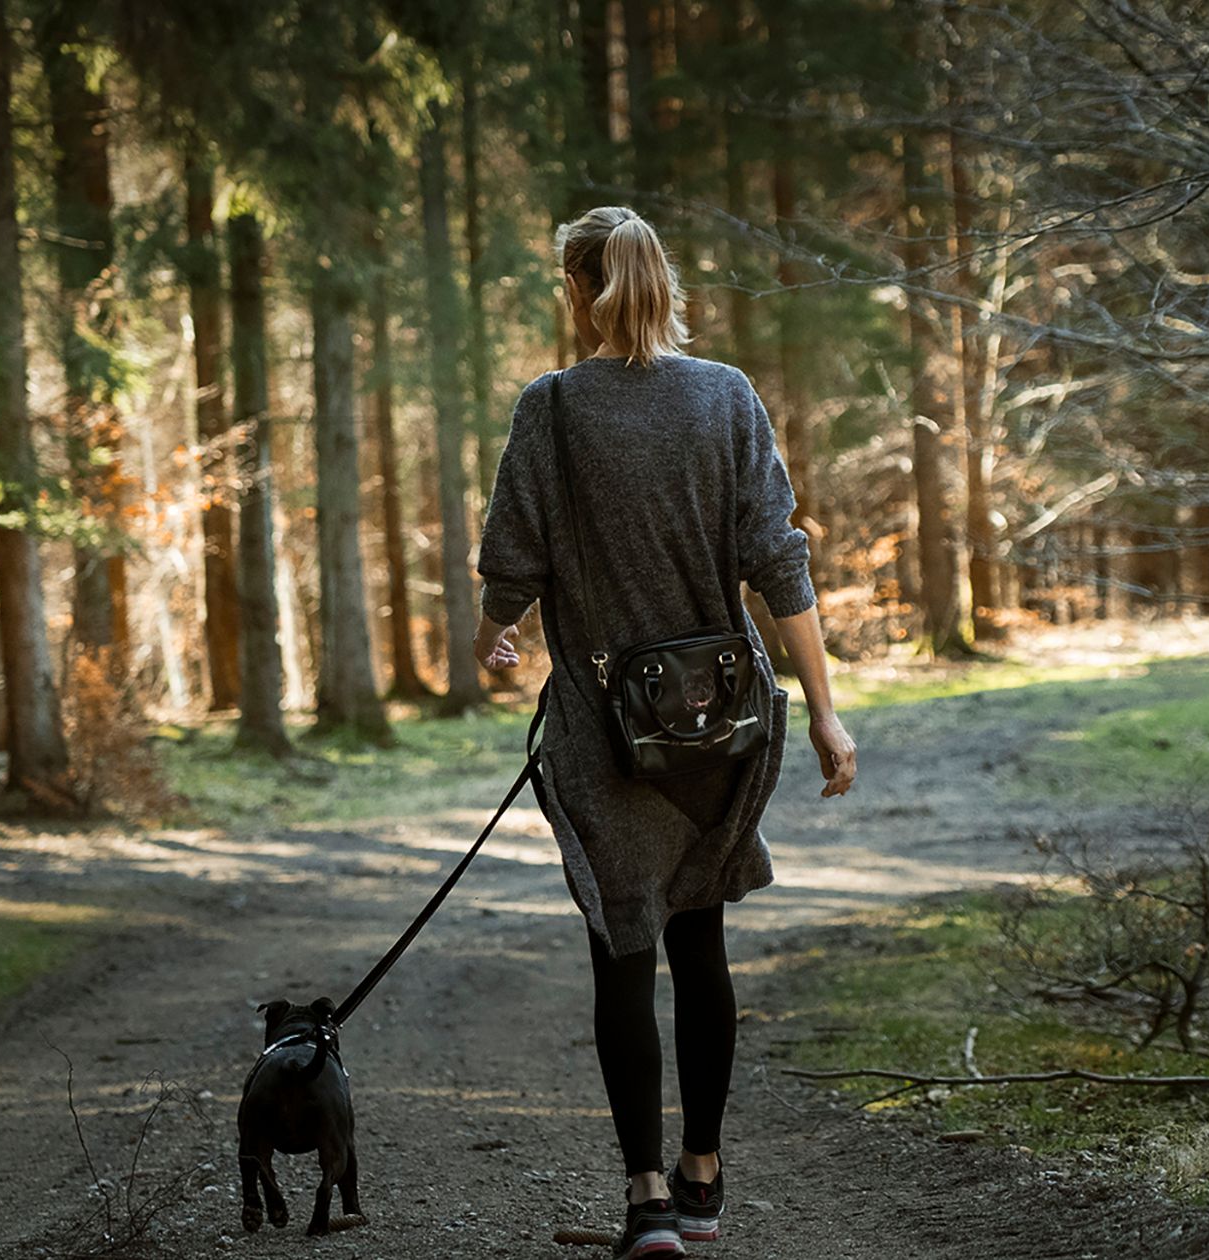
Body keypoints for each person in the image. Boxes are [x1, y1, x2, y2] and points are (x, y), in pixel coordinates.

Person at [473, 205, 859, 1259]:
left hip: (603, 726)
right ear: (660, 285)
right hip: (721, 720)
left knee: (620, 950)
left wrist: (493, 638)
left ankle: (644, 1202)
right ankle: (702, 1174)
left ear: (575, 289)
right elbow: (777, 562)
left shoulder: (549, 411)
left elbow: (512, 561)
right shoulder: (725, 397)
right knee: (701, 942)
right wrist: (822, 708)